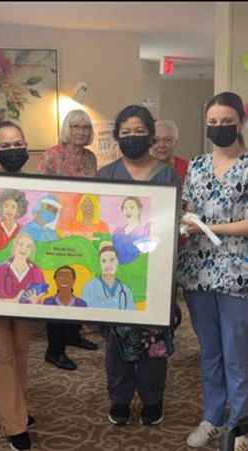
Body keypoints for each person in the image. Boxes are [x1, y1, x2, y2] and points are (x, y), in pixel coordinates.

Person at [96, 104, 180, 427]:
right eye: (126, 132)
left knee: (153, 343)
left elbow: (171, 223)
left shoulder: (167, 174)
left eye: (139, 131)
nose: (132, 137)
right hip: (116, 272)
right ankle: (119, 399)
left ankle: (152, 398)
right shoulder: (106, 175)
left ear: (151, 135)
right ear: (117, 136)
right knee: (116, 342)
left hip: (155, 273)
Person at [177, 92, 248, 450]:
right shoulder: (197, 164)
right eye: (214, 122)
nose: (220, 128)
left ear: (241, 122)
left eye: (227, 122)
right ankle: (213, 417)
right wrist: (187, 222)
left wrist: (212, 228)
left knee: (237, 352)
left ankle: (240, 426)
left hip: (237, 273)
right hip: (197, 273)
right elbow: (189, 208)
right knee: (210, 352)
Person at [0, 121, 36, 451]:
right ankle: (13, 424)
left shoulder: (37, 189)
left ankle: (19, 409)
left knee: (20, 349)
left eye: (18, 142)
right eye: (5, 145)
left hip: (27, 287)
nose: (13, 149)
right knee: (1, 353)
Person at [37, 109, 98, 372]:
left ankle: (73, 334)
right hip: (58, 230)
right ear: (66, 128)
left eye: (85, 126)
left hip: (82, 229)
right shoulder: (52, 155)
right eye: (75, 126)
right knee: (61, 284)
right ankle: (55, 349)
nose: (81, 131)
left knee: (79, 280)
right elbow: (41, 194)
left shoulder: (91, 158)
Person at [0, 232, 46, 304]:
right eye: (20, 244)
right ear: (14, 246)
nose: (24, 249)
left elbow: (39, 303)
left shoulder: (37, 272)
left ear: (31, 250)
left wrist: (34, 302)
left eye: (28, 246)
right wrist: (15, 301)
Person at [82, 242, 136, 310]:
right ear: (100, 263)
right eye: (104, 261)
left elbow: (132, 317)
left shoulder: (126, 291)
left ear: (118, 262)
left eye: (112, 260)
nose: (108, 265)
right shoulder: (89, 287)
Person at [112, 196, 151, 265]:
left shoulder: (146, 231)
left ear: (140, 210)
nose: (128, 211)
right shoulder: (117, 231)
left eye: (131, 208)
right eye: (125, 208)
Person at [151, 120, 189, 184]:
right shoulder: (141, 169)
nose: (161, 145)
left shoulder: (188, 169)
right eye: (156, 140)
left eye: (167, 140)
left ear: (176, 143)